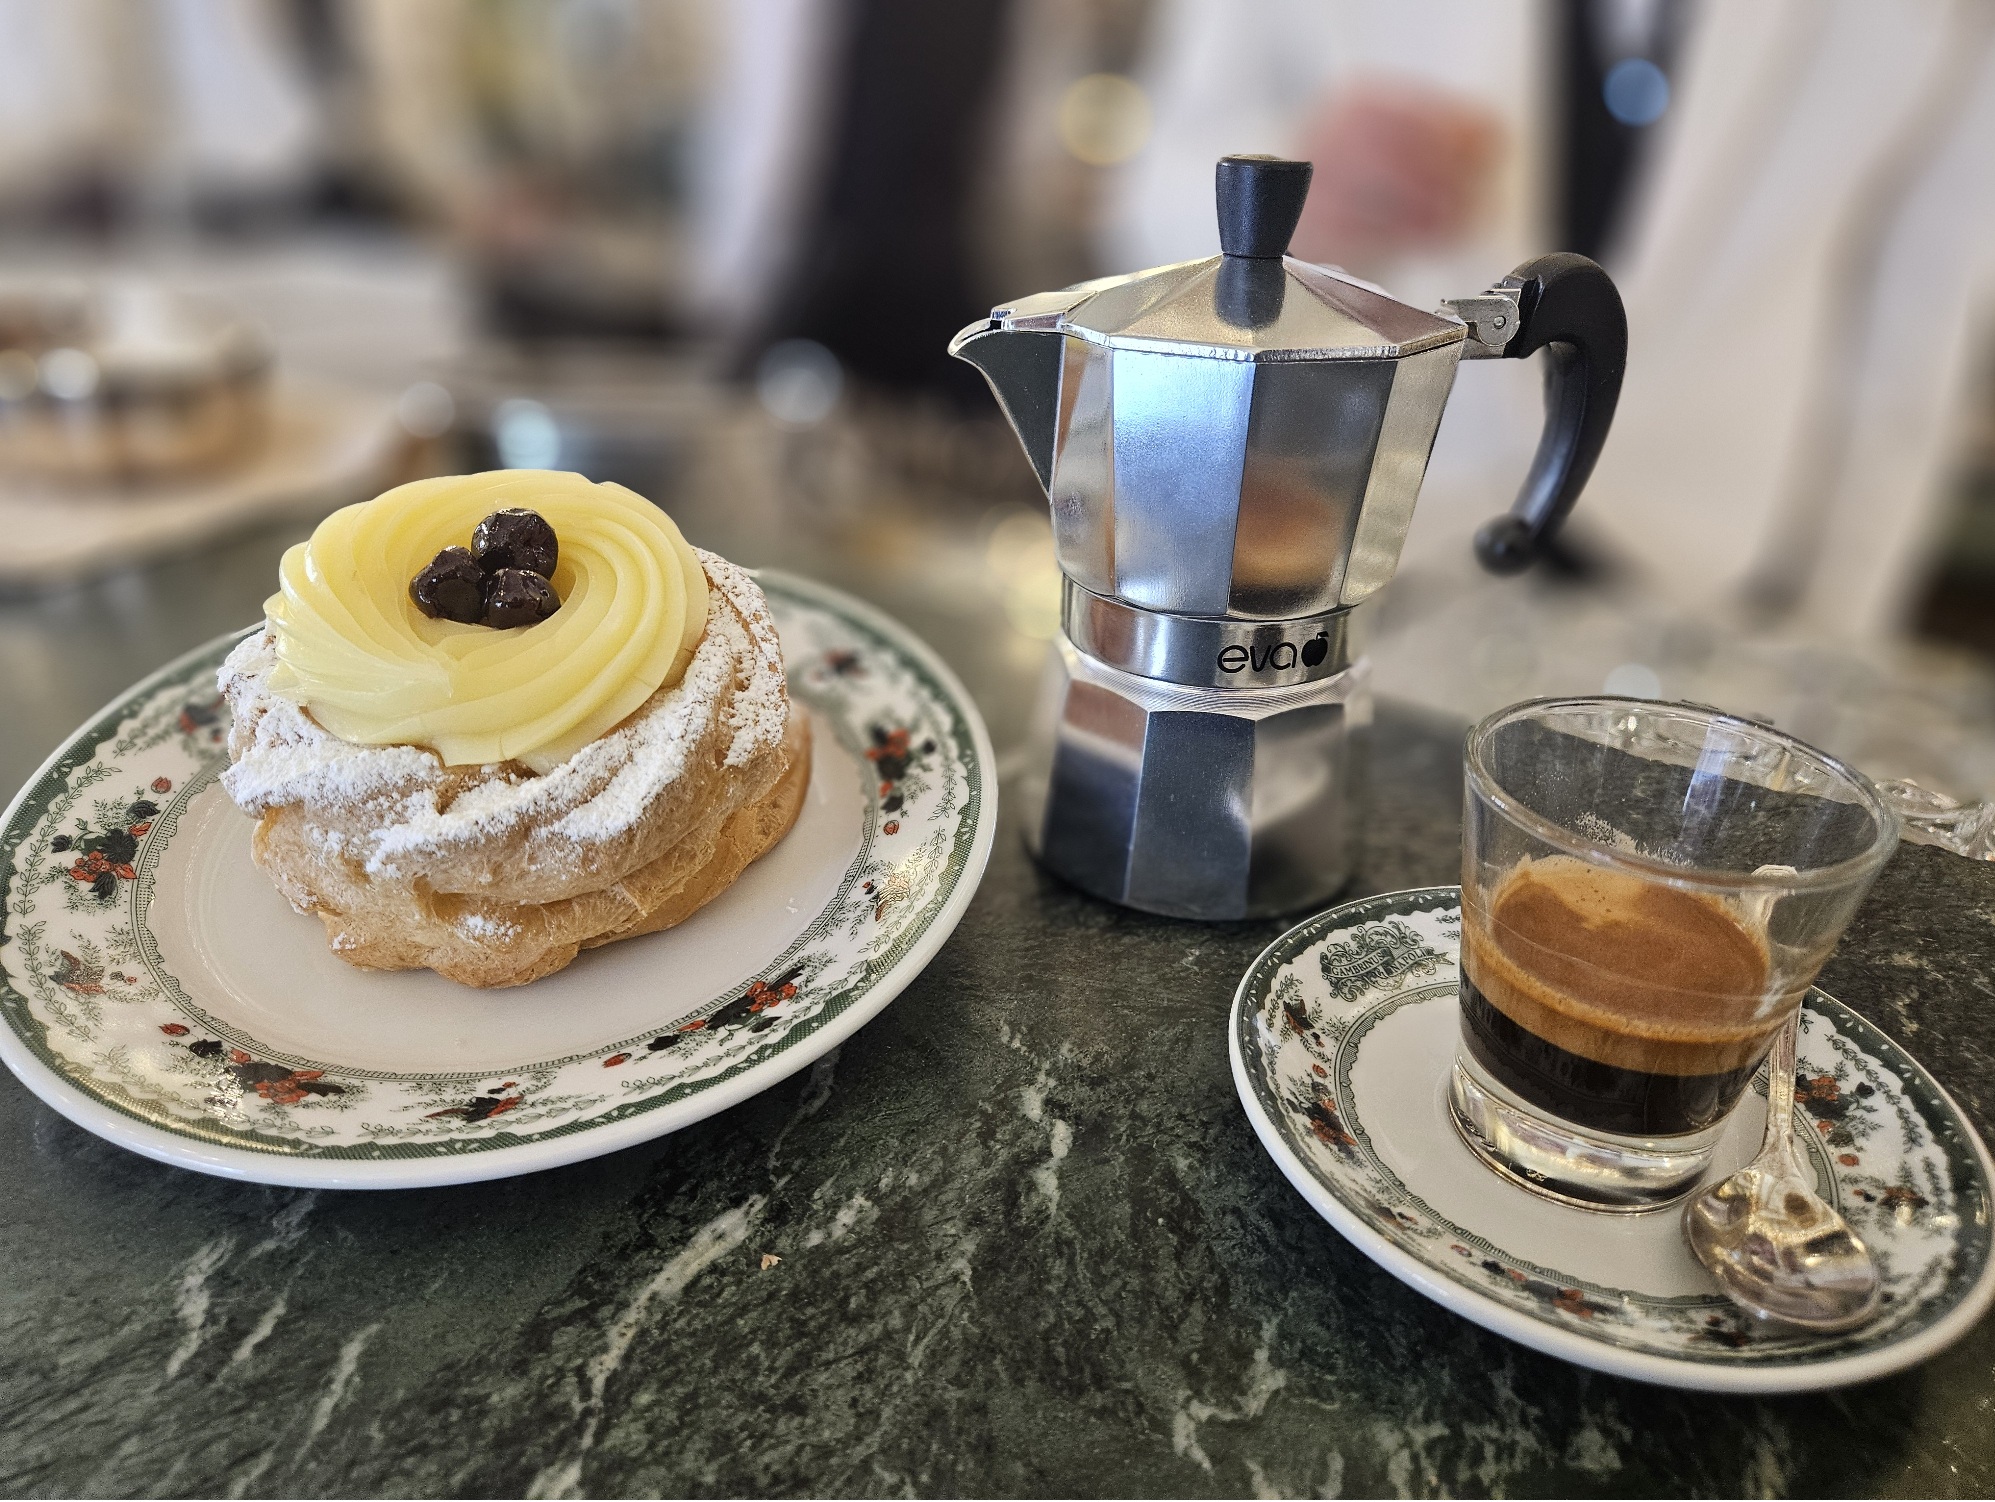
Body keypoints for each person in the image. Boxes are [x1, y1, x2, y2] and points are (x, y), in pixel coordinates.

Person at [1106, 0, 1995, 640]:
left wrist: (1834, 631)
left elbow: (1914, 328)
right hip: (1367, 548)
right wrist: (1302, 201)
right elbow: (1149, 196)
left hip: (1703, 581)